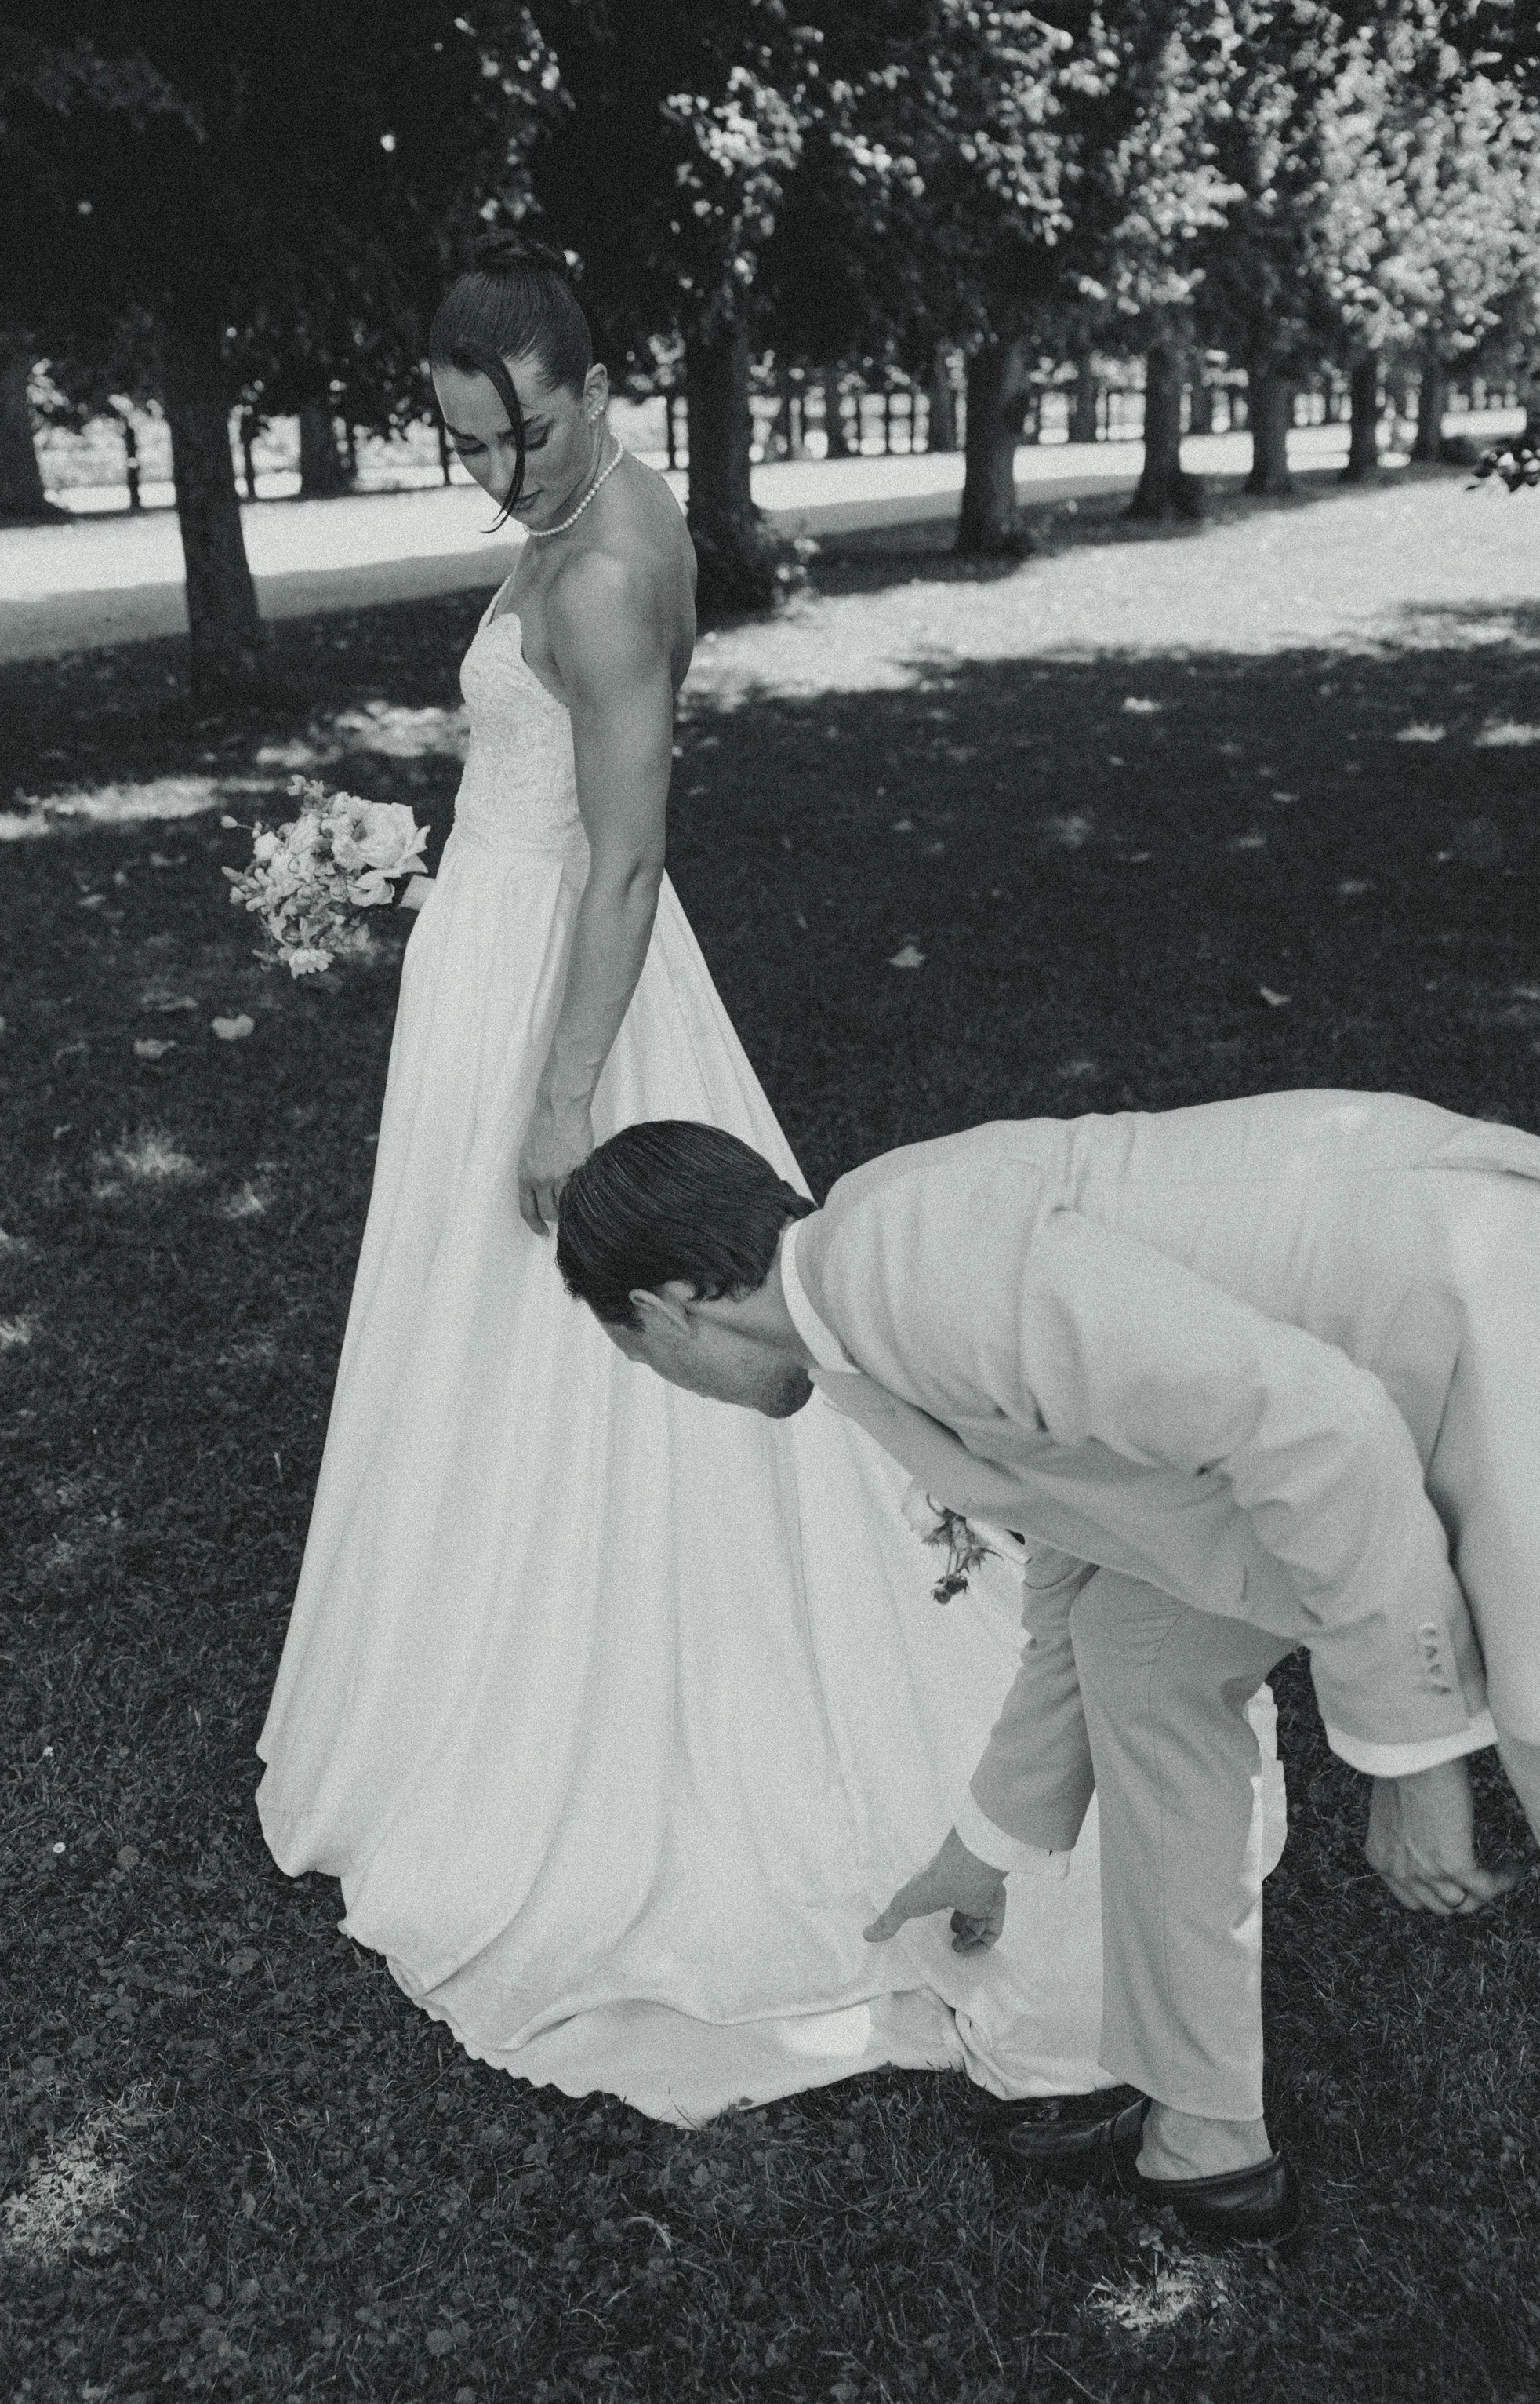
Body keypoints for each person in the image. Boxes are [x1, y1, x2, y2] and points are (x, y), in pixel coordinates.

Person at [256, 234, 1141, 2124]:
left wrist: (563, 1098)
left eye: (521, 439)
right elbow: (557, 792)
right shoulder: (591, 504)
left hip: (568, 994)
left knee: (588, 1324)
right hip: (511, 933)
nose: (498, 478)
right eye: (464, 448)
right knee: (481, 1341)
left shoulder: (601, 565)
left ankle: (598, 1706)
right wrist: (428, 849)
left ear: (583, 387)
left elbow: (629, 856)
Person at [555, 1093, 1540, 2371]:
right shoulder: (865, 1284)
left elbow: (1323, 1427)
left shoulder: (911, 1276)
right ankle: (1207, 2134)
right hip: (1425, 1381)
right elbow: (1090, 1560)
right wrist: (984, 1840)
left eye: (641, 1359)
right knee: (1142, 1664)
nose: (669, 1384)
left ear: (667, 1308)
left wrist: (1415, 1756)